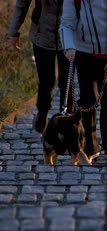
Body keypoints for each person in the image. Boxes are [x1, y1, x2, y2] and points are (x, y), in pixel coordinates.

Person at [60, 0, 107, 162]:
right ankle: (90, 147)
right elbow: (67, 23)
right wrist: (68, 46)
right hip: (85, 52)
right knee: (87, 100)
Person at [8, 0, 73, 133]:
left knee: (66, 81)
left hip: (69, 36)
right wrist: (14, 31)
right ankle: (42, 116)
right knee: (46, 81)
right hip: (42, 35)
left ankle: (67, 117)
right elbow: (22, 4)